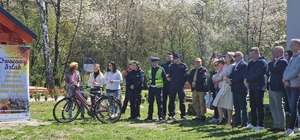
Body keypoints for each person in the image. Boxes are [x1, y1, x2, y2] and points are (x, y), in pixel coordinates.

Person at [244, 47, 268, 131]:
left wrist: (248, 80)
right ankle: (253, 123)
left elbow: (258, 74)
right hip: (251, 86)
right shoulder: (251, 63)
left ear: (258, 53)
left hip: (259, 86)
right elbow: (246, 72)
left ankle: (261, 124)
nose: (252, 56)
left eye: (253, 54)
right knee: (252, 105)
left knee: (259, 105)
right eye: (251, 55)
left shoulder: (262, 62)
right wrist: (246, 79)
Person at [267, 46, 288, 133]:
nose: (273, 53)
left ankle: (281, 126)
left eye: (274, 52)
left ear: (279, 52)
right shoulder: (276, 61)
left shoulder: (283, 61)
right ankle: (275, 124)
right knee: (273, 106)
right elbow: (269, 71)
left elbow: (274, 70)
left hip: (277, 87)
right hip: (271, 86)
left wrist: (271, 62)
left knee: (279, 106)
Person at [283, 39, 300, 136]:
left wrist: (286, 78)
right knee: (292, 106)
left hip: (295, 85)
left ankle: (290, 129)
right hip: (288, 84)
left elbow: (296, 70)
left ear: (297, 46)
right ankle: (296, 126)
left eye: (292, 45)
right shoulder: (293, 56)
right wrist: (284, 79)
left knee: (293, 106)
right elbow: (287, 69)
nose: (290, 46)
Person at [212, 52, 235, 126]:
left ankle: (229, 121)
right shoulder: (226, 67)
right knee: (218, 102)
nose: (225, 57)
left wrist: (223, 76)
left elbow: (228, 76)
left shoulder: (232, 66)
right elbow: (217, 77)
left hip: (228, 86)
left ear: (231, 57)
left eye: (227, 56)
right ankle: (221, 119)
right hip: (223, 86)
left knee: (229, 104)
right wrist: (222, 76)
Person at [228, 51, 248, 128]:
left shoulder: (243, 65)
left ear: (240, 56)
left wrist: (232, 80)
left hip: (241, 88)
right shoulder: (235, 65)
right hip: (235, 88)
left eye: (235, 56)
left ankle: (244, 123)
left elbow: (241, 76)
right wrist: (229, 79)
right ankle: (237, 122)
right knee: (236, 107)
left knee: (243, 106)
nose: (234, 57)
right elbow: (232, 74)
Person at [168, 53, 189, 120]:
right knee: (171, 100)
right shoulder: (171, 66)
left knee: (182, 100)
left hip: (180, 85)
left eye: (176, 58)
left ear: (179, 58)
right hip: (173, 85)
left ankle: (183, 114)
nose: (174, 59)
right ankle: (171, 114)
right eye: (174, 58)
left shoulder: (183, 65)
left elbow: (186, 75)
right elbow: (169, 74)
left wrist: (183, 82)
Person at [161, 53, 173, 119]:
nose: (169, 58)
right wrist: (165, 77)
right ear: (166, 57)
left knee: (171, 100)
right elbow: (161, 74)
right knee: (164, 100)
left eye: (170, 57)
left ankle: (171, 114)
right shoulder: (163, 65)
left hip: (171, 85)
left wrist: (170, 77)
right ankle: (163, 114)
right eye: (168, 57)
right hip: (164, 84)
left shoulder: (174, 65)